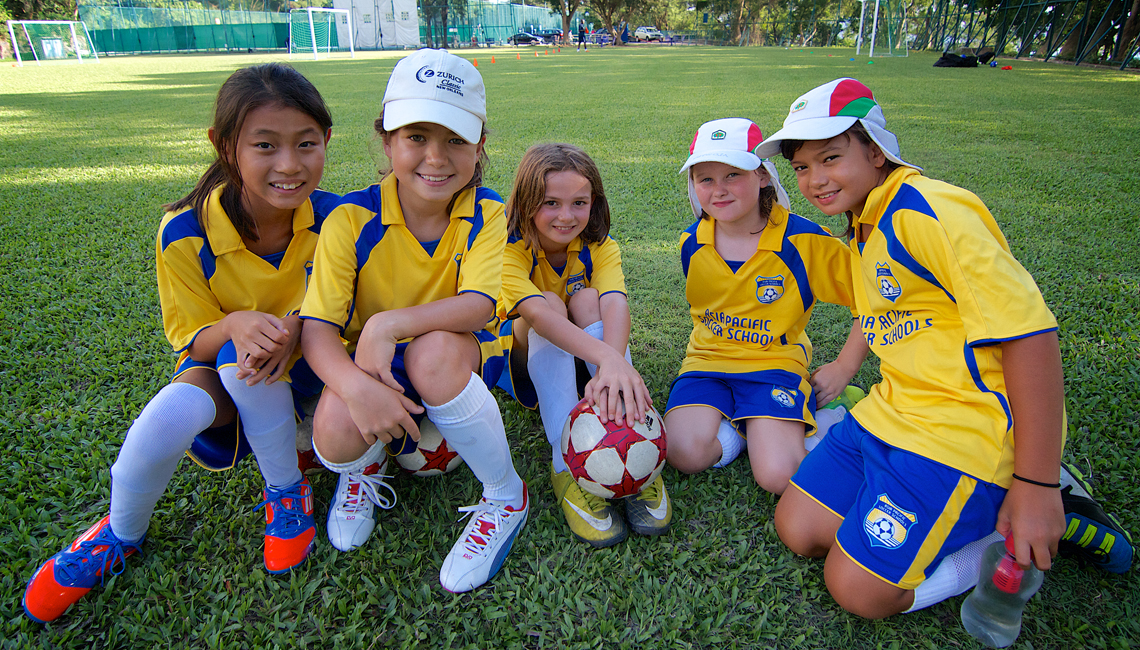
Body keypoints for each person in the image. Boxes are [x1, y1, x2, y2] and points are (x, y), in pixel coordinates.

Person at [761, 78, 1133, 619]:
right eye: (801, 167)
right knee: (797, 528)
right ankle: (953, 509)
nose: (815, 179)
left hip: (961, 433)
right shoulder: (865, 223)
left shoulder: (931, 211)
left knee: (857, 590)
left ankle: (1029, 512)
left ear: (876, 151)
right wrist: (845, 364)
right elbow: (888, 307)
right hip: (891, 414)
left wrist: (1036, 482)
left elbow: (1030, 334)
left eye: (832, 158)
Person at [23, 63, 341, 623]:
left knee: (248, 355)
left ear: (326, 141)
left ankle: (287, 487)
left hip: (321, 369)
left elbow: (354, 309)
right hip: (235, 372)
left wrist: (297, 326)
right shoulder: (184, 231)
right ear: (224, 146)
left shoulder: (341, 217)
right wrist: (238, 324)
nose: (289, 165)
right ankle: (118, 534)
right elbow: (194, 343)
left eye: (306, 144)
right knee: (178, 407)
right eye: (265, 145)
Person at [299, 49, 528, 594]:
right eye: (416, 137)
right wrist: (357, 388)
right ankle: (364, 470)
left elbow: (477, 305)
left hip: (457, 352)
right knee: (331, 441)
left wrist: (386, 325)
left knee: (431, 354)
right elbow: (317, 331)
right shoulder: (350, 219)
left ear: (479, 148)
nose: (436, 157)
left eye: (455, 139)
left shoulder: (488, 210)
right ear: (386, 142)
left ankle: (504, 494)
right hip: (376, 366)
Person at [665, 118, 866, 497]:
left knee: (778, 477)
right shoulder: (691, 243)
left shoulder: (804, 241)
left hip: (774, 365)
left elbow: (873, 300)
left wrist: (844, 366)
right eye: (705, 179)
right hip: (707, 363)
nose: (718, 190)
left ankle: (829, 420)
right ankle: (744, 430)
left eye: (732, 174)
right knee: (682, 454)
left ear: (762, 175)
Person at [498, 143, 665, 548]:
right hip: (525, 360)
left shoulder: (600, 246)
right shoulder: (507, 248)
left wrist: (614, 367)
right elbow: (538, 317)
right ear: (525, 202)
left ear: (595, 202)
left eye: (579, 202)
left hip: (585, 356)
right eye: (550, 203)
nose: (566, 216)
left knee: (588, 298)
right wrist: (610, 359)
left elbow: (615, 302)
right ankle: (566, 458)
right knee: (551, 302)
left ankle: (633, 437)